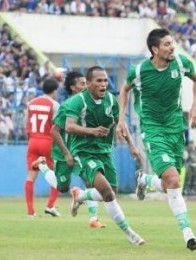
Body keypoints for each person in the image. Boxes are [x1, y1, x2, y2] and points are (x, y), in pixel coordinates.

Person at [116, 28, 196, 251]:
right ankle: (187, 232)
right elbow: (124, 91)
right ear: (155, 49)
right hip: (153, 129)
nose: (172, 47)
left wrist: (195, 104)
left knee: (169, 183)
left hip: (176, 128)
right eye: (166, 44)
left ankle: (144, 180)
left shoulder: (181, 63)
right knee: (173, 180)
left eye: (172, 43)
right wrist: (121, 118)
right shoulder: (139, 71)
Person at [65, 66, 145, 245]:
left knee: (111, 193)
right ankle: (130, 234)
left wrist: (132, 145)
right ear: (89, 84)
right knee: (107, 192)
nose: (103, 84)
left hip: (104, 151)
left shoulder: (111, 100)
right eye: (99, 81)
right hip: (83, 152)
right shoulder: (78, 101)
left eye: (105, 81)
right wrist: (92, 131)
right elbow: (69, 126)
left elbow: (120, 124)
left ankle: (80, 196)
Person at [32, 71, 106, 228]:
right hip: (63, 151)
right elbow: (54, 131)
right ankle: (42, 165)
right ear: (73, 88)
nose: (86, 86)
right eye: (82, 84)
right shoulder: (67, 106)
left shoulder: (88, 104)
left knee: (90, 179)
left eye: (87, 83)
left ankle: (93, 219)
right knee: (62, 187)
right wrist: (66, 153)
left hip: (80, 150)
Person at [25, 78, 60, 217]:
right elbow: (57, 127)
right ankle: (50, 206)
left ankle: (30, 212)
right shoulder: (54, 105)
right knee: (56, 174)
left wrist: (32, 137)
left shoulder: (31, 103)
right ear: (54, 90)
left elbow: (25, 124)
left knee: (30, 176)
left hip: (33, 141)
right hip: (48, 142)